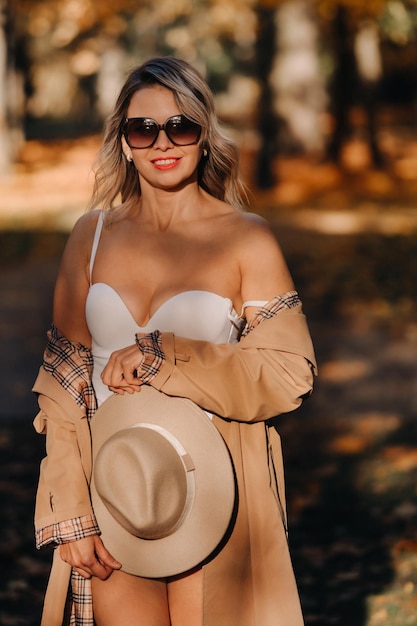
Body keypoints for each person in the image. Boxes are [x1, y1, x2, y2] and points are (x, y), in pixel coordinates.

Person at [33, 56, 317, 626]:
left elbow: (289, 372)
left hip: (217, 489)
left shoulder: (246, 239)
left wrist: (167, 357)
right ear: (124, 141)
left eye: (180, 126)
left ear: (204, 136)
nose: (163, 142)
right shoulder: (91, 237)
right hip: (118, 484)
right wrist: (69, 508)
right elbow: (62, 385)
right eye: (144, 128)